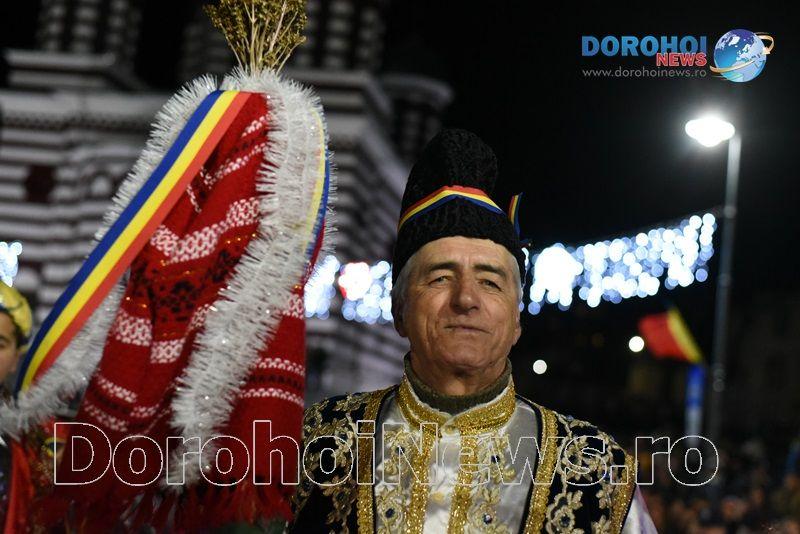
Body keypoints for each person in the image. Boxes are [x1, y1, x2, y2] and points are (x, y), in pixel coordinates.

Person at [290, 129, 656, 532]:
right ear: (399, 310)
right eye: (440, 278)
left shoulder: (597, 469)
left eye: (490, 282)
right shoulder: (320, 439)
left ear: (516, 321)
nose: (466, 299)